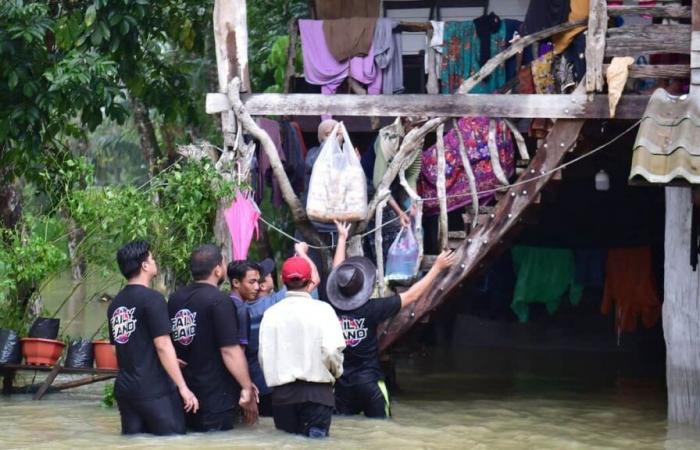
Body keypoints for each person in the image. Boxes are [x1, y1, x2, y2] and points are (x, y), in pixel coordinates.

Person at [327, 221, 457, 418]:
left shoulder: (332, 306)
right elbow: (412, 295)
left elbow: (338, 273)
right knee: (381, 429)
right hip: (370, 384)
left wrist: (342, 239)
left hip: (343, 387)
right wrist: (437, 268)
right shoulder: (372, 309)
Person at [108, 241, 199, 436]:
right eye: (152, 258)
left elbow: (118, 349)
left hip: (126, 390)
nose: (154, 261)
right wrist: (183, 388)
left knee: (135, 442)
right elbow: (163, 345)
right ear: (145, 266)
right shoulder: (152, 299)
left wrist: (167, 361)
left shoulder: (115, 304)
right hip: (153, 390)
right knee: (173, 441)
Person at [258, 244, 346, 438]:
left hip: (282, 398)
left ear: (282, 280)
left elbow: (264, 357)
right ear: (310, 282)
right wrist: (335, 374)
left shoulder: (271, 314)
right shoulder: (324, 310)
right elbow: (332, 352)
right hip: (318, 396)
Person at [168, 244, 258, 432]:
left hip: (183, 395)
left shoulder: (175, 298)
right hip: (215, 397)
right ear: (218, 269)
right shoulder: (220, 300)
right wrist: (246, 387)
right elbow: (230, 350)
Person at [235, 258, 288, 417]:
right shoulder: (275, 303)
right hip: (275, 384)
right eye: (271, 275)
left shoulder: (241, 309)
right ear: (262, 286)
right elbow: (308, 280)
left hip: (253, 384)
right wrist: (302, 254)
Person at [227, 260, 262, 348]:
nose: (257, 287)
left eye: (258, 282)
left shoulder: (223, 302)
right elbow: (240, 350)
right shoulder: (241, 310)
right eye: (251, 282)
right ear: (236, 283)